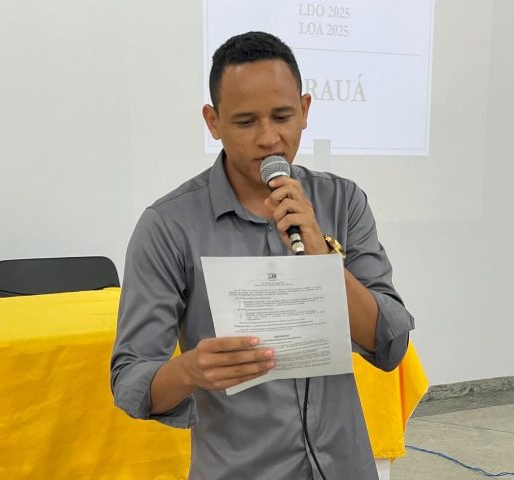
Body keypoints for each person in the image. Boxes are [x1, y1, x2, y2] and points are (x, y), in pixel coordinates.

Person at [110, 31, 414, 480]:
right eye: (246, 122)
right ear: (213, 122)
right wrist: (190, 371)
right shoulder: (169, 226)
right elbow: (131, 381)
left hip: (344, 465)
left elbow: (391, 343)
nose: (269, 138)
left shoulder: (342, 201)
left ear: (305, 111)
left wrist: (323, 260)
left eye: (283, 116)